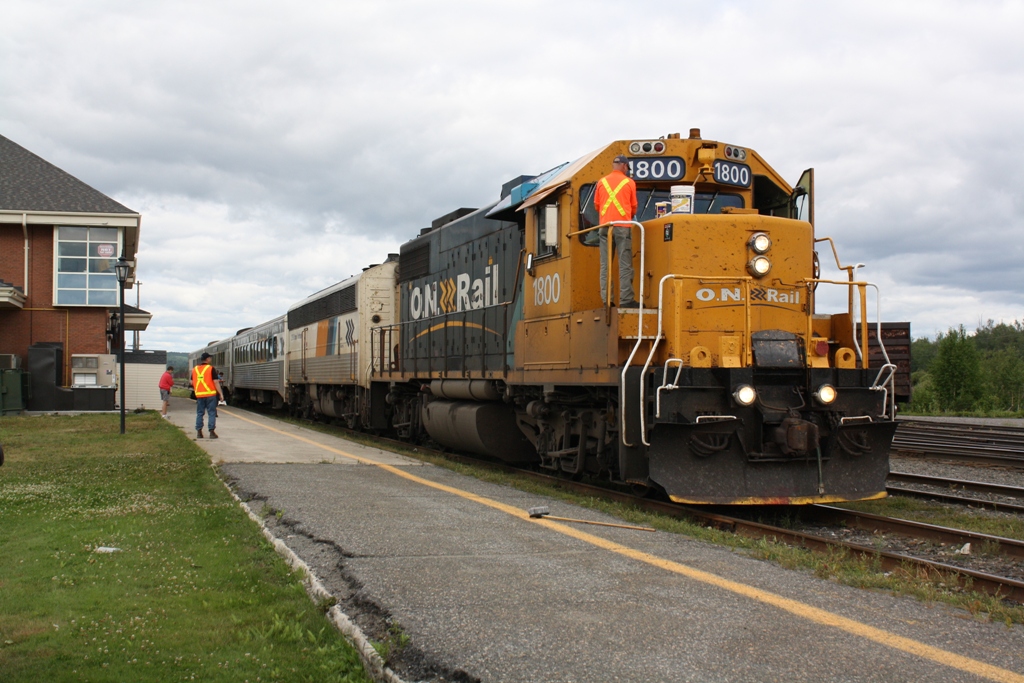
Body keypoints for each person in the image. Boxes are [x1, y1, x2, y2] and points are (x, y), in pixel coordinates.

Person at [595, 154, 639, 308]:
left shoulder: (601, 182)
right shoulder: (629, 182)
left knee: (605, 265)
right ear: (625, 166)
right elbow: (633, 207)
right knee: (624, 263)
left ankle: (607, 300)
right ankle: (626, 299)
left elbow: (597, 205)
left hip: (604, 228)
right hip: (622, 227)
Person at [191, 353, 224, 439]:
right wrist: (220, 393)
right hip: (210, 395)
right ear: (207, 359)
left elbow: (191, 382)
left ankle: (199, 432)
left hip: (199, 395)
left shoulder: (195, 369)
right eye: (210, 358)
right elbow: (216, 382)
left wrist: (198, 389)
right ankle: (211, 432)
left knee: (200, 413)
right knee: (212, 413)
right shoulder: (210, 368)